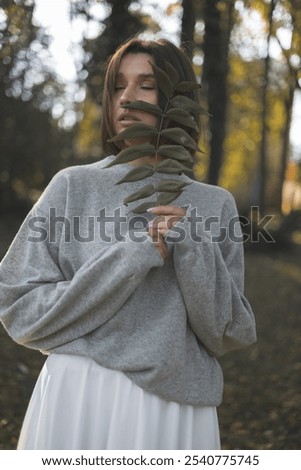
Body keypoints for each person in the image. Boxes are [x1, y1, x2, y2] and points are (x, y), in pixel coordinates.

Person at [0, 37, 256, 450]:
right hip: (78, 394)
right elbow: (16, 307)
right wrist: (130, 256)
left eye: (147, 85)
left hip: (175, 408)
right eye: (118, 86)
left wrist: (194, 249)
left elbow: (228, 333)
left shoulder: (214, 204)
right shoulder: (72, 187)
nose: (127, 98)